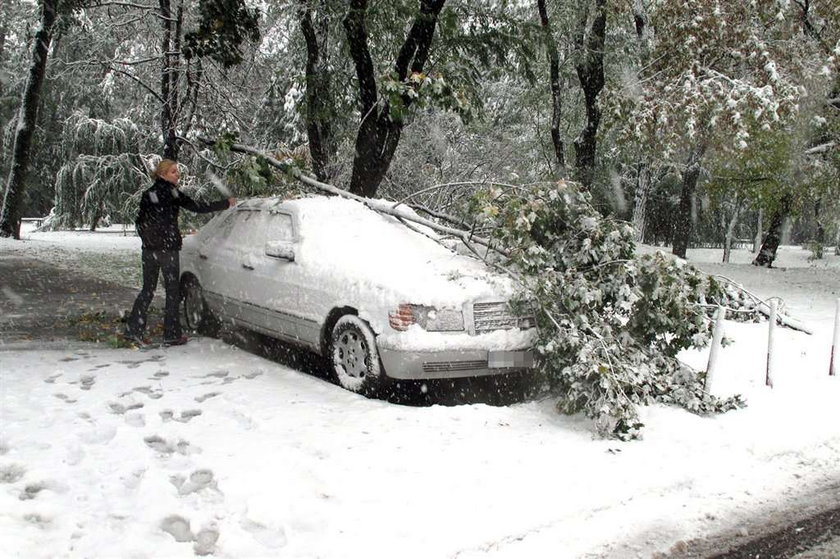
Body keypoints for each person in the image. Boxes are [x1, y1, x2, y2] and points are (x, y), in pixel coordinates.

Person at [124, 159, 235, 346]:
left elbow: (140, 223)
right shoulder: (172, 193)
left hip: (150, 251)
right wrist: (226, 203)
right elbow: (197, 206)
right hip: (167, 250)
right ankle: (171, 333)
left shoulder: (149, 194)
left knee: (148, 290)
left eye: (177, 171)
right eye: (174, 171)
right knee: (172, 292)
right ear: (162, 174)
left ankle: (134, 329)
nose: (178, 175)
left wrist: (149, 241)